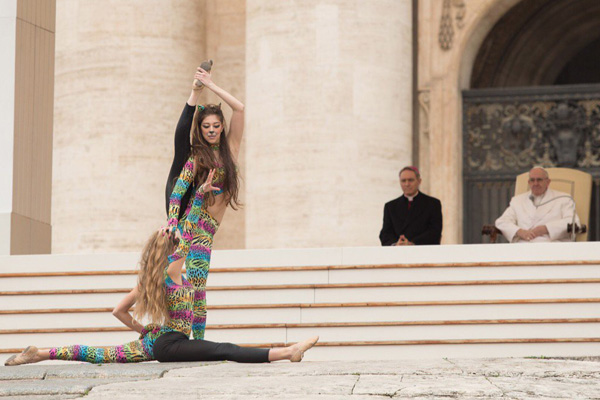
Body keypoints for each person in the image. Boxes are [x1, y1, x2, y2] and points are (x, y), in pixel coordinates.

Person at [5, 231, 319, 366]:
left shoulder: (163, 278)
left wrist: (144, 331)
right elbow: (118, 310)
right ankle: (288, 352)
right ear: (172, 249)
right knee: (225, 349)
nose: (184, 246)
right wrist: (144, 330)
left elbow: (118, 311)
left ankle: (40, 353)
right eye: (178, 244)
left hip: (157, 341)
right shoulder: (167, 275)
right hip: (165, 343)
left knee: (97, 353)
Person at [162, 65, 244, 341]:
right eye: (206, 126)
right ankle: (172, 333)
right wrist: (173, 222)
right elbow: (178, 191)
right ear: (201, 129)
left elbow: (240, 108)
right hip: (189, 224)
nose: (211, 130)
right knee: (170, 279)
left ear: (222, 127)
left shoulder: (230, 150)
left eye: (216, 126)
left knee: (198, 287)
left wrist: (210, 84)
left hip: (207, 230)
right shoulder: (197, 155)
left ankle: (196, 343)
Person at [495, 166, 580, 243]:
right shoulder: (518, 200)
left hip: (551, 247)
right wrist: (519, 231)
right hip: (523, 247)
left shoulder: (563, 198)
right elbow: (502, 222)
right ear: (529, 182)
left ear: (548, 182)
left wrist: (546, 228)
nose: (535, 183)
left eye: (539, 180)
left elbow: (574, 223)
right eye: (532, 180)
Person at [379, 166, 443, 246]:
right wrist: (396, 243)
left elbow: (435, 231)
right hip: (398, 253)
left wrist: (412, 243)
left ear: (419, 181)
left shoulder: (433, 204)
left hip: (423, 252)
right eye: (403, 181)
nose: (407, 184)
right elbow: (385, 233)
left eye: (411, 180)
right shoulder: (390, 206)